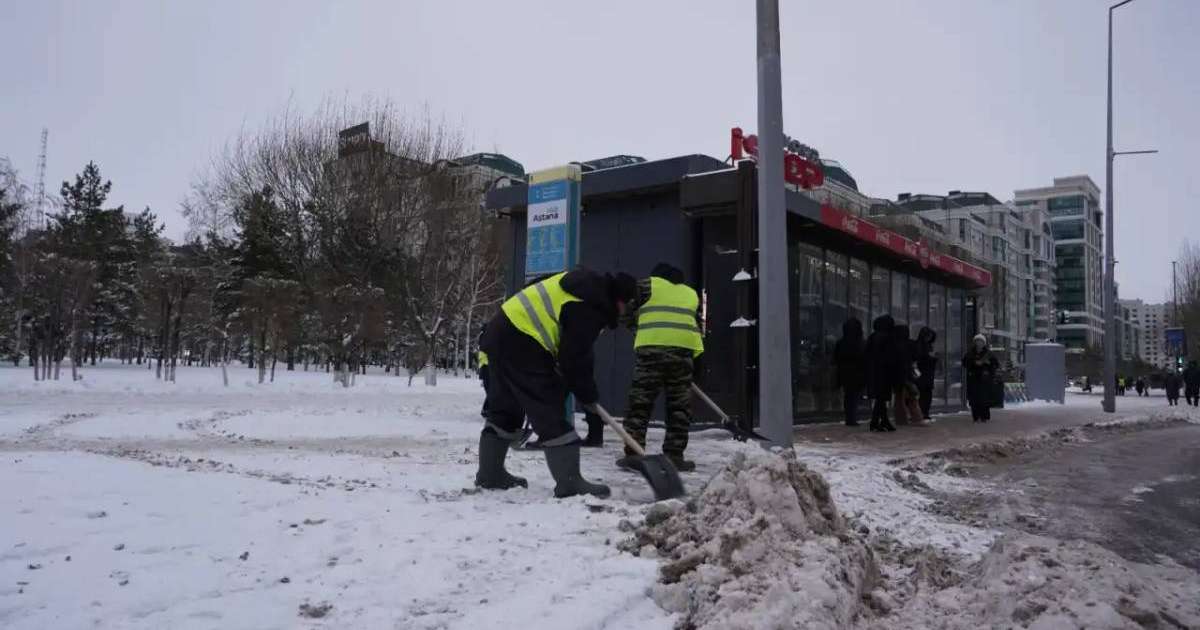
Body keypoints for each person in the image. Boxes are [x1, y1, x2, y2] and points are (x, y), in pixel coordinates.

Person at [475, 267, 638, 498]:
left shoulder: (582, 287)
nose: (624, 316)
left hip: (500, 331)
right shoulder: (590, 306)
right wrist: (588, 396)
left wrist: (586, 392)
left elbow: (578, 355)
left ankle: (490, 474)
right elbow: (572, 359)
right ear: (621, 302)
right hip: (523, 340)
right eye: (627, 308)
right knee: (548, 406)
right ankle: (570, 482)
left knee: (505, 408)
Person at [618, 263, 704, 473]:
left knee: (641, 404)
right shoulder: (691, 293)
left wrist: (638, 328)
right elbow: (695, 325)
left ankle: (634, 453)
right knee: (679, 408)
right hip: (683, 354)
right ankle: (675, 456)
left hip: (652, 352)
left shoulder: (647, 286)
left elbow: (625, 313)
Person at [865, 315, 897, 432]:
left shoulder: (873, 337)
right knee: (881, 398)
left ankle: (883, 421)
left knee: (880, 398)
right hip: (884, 371)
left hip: (874, 371)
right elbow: (890, 356)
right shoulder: (887, 337)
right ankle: (876, 422)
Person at [833, 318, 867, 427]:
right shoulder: (860, 342)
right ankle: (852, 418)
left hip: (845, 373)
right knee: (854, 396)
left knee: (849, 396)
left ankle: (850, 417)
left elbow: (836, 358)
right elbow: (864, 358)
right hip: (857, 373)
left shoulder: (841, 343)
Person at [963, 334, 999, 423]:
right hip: (973, 379)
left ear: (984, 343)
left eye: (981, 341)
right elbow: (965, 362)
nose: (979, 343)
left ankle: (984, 416)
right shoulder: (970, 353)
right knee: (974, 399)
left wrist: (987, 363)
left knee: (984, 399)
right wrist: (974, 363)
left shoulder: (989, 353)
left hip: (985, 380)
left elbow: (995, 364)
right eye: (977, 341)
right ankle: (975, 416)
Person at [891, 324, 916, 425]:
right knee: (912, 397)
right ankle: (916, 417)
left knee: (899, 398)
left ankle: (901, 418)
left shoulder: (893, 344)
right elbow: (914, 356)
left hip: (896, 374)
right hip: (906, 373)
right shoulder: (909, 344)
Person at [913, 326, 939, 421]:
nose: (928, 339)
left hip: (928, 374)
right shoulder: (919, 346)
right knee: (922, 394)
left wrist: (934, 358)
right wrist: (931, 358)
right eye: (927, 336)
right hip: (921, 373)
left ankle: (925, 413)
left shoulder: (929, 346)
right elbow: (920, 358)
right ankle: (920, 413)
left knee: (927, 394)